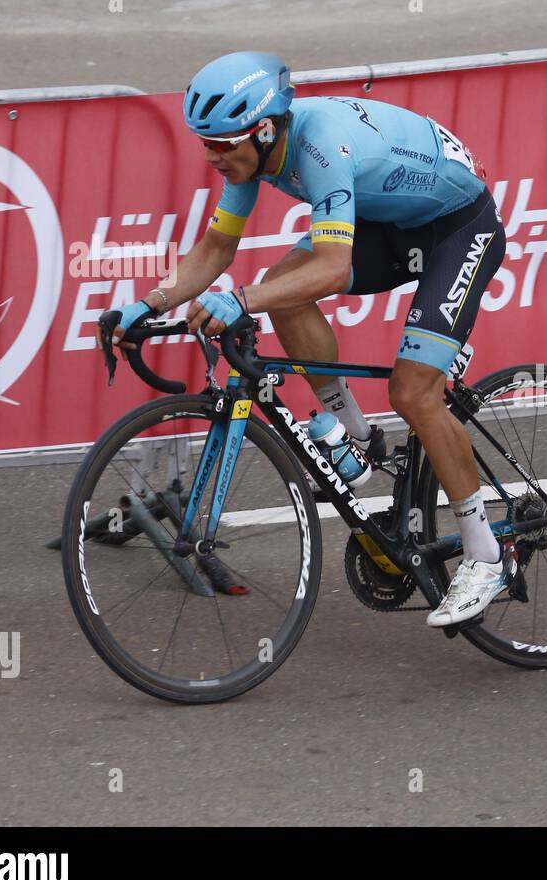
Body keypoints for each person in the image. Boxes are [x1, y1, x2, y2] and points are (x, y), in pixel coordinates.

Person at [105, 51, 515, 626]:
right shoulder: (256, 156)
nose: (212, 155)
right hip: (393, 222)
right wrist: (144, 307)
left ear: (265, 128)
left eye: (221, 143)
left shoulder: (321, 147)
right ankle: (357, 437)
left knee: (414, 393)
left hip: (458, 227)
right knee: (282, 287)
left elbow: (331, 269)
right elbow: (216, 250)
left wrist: (240, 300)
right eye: (205, 142)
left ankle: (485, 554)